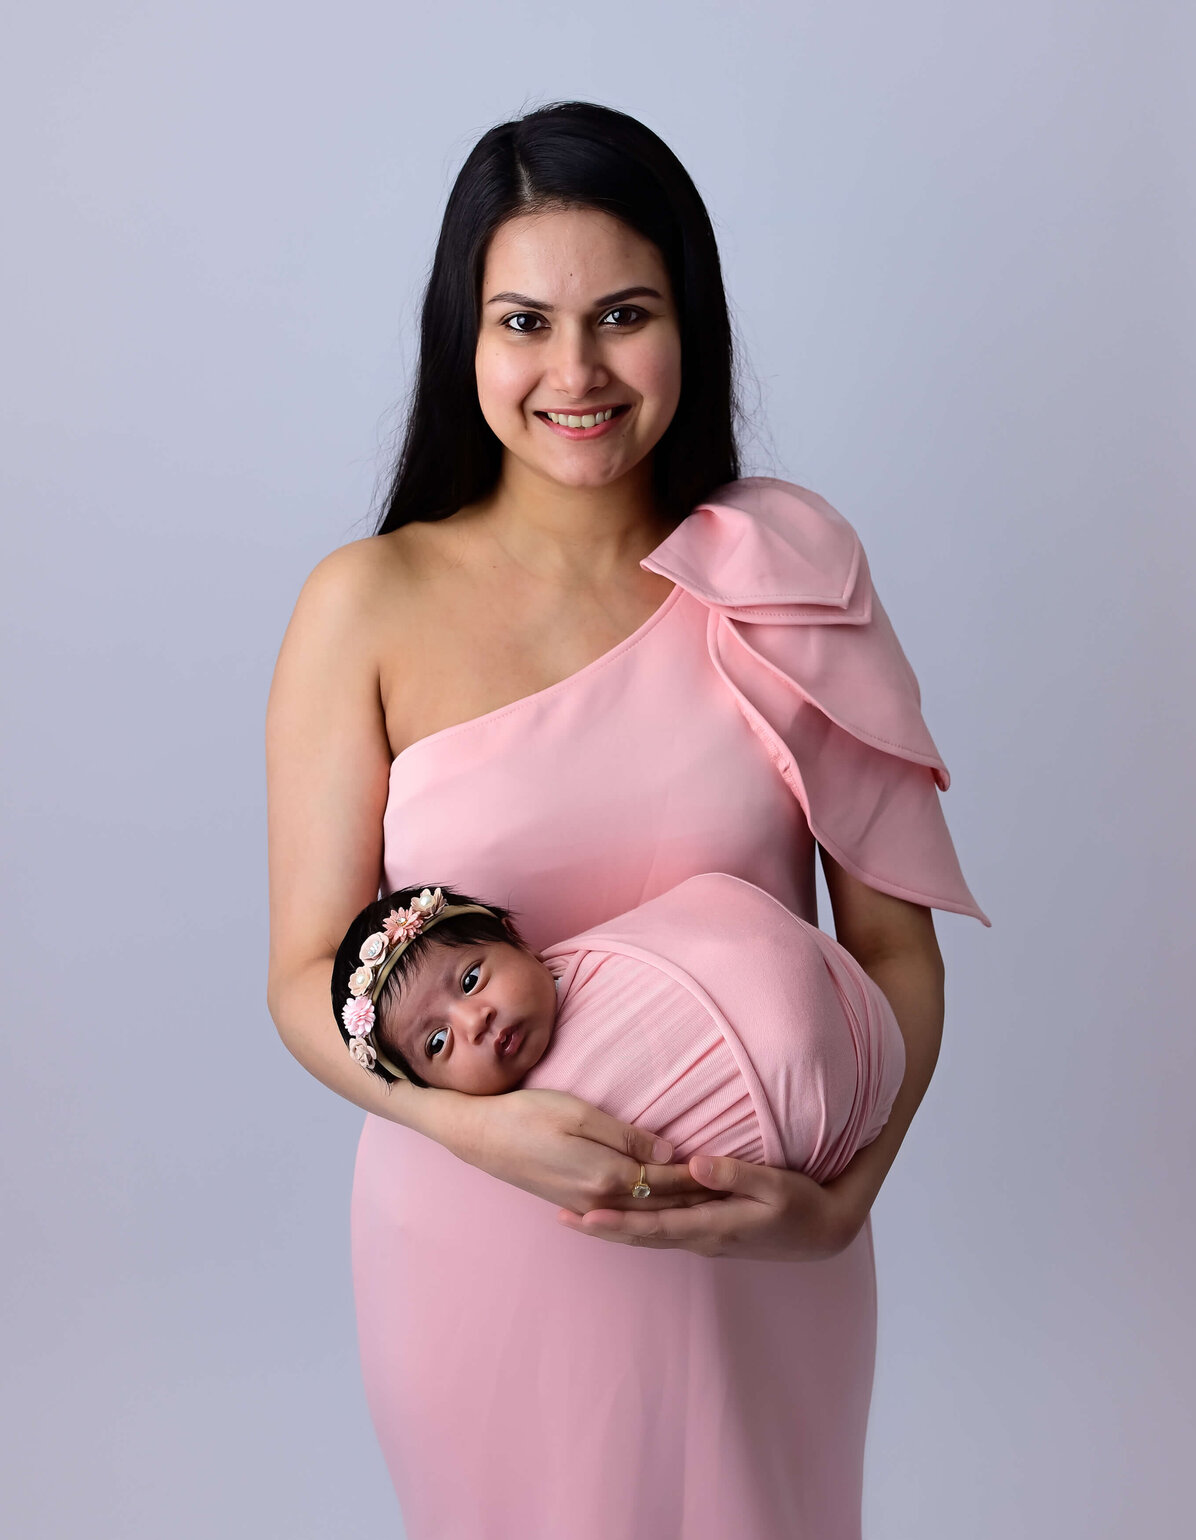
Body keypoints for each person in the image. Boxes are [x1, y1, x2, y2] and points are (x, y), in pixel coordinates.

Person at [266, 100, 988, 1539]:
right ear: (463, 339)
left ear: (691, 323)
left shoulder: (787, 571)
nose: (575, 371)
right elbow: (303, 982)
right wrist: (489, 1139)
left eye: (625, 315)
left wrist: (841, 1207)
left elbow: (896, 960)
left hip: (761, 1261)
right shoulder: (367, 606)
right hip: (477, 1247)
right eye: (524, 320)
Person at [330, 873, 908, 1182]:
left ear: (517, 940)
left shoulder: (587, 967)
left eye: (473, 979)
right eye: (438, 1043)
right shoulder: (536, 1127)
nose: (474, 1022)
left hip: (856, 1035)